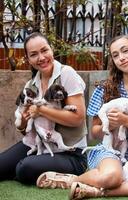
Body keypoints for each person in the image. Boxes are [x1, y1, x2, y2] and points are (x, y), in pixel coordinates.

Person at [36, 35, 128, 199]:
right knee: (112, 177)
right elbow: (95, 132)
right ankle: (80, 180)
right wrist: (111, 125)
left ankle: (95, 190)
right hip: (112, 150)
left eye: (125, 51)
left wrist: (127, 121)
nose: (122, 58)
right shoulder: (106, 88)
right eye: (116, 55)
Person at [0, 32, 88, 185]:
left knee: (24, 168)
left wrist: (40, 110)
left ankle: (70, 175)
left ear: (51, 49)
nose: (41, 58)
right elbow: (25, 129)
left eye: (44, 50)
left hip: (71, 153)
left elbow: (78, 118)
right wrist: (22, 124)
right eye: (34, 54)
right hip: (37, 144)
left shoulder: (66, 74)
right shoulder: (31, 85)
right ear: (28, 59)